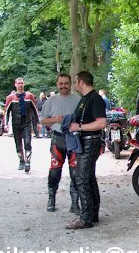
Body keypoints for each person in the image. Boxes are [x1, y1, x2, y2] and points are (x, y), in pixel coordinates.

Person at [65, 71, 107, 230]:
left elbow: (102, 123)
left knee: (81, 178)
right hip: (85, 142)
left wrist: (79, 127)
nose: (75, 85)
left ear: (81, 82)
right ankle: (92, 214)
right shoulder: (86, 98)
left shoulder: (95, 99)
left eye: (76, 82)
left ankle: (85, 219)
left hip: (90, 142)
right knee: (88, 178)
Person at [40, 74, 82, 213]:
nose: (64, 86)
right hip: (57, 139)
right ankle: (51, 199)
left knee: (75, 172)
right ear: (57, 84)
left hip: (74, 139)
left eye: (66, 83)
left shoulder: (78, 100)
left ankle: (75, 203)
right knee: (54, 172)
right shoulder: (51, 101)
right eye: (61, 83)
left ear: (70, 84)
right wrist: (55, 119)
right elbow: (42, 120)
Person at [5, 78, 39, 172]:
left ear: (24, 84)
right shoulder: (11, 97)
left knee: (27, 142)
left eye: (22, 83)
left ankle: (28, 161)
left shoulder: (29, 96)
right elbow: (7, 112)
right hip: (15, 123)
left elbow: (35, 110)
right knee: (18, 144)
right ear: (15, 84)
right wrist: (6, 124)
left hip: (26, 123)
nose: (20, 85)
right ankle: (21, 161)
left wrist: (38, 123)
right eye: (18, 83)